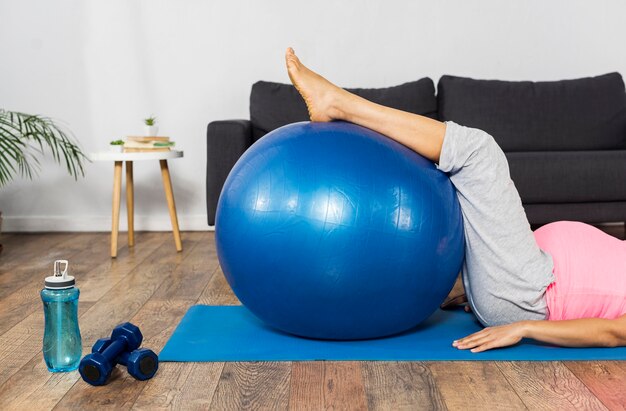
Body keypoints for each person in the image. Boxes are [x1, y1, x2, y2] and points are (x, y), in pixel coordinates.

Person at [284, 47, 626, 352]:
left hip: (527, 296)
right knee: (463, 172)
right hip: (517, 283)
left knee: (479, 153)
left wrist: (524, 327)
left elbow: (613, 333)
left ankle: (340, 103)